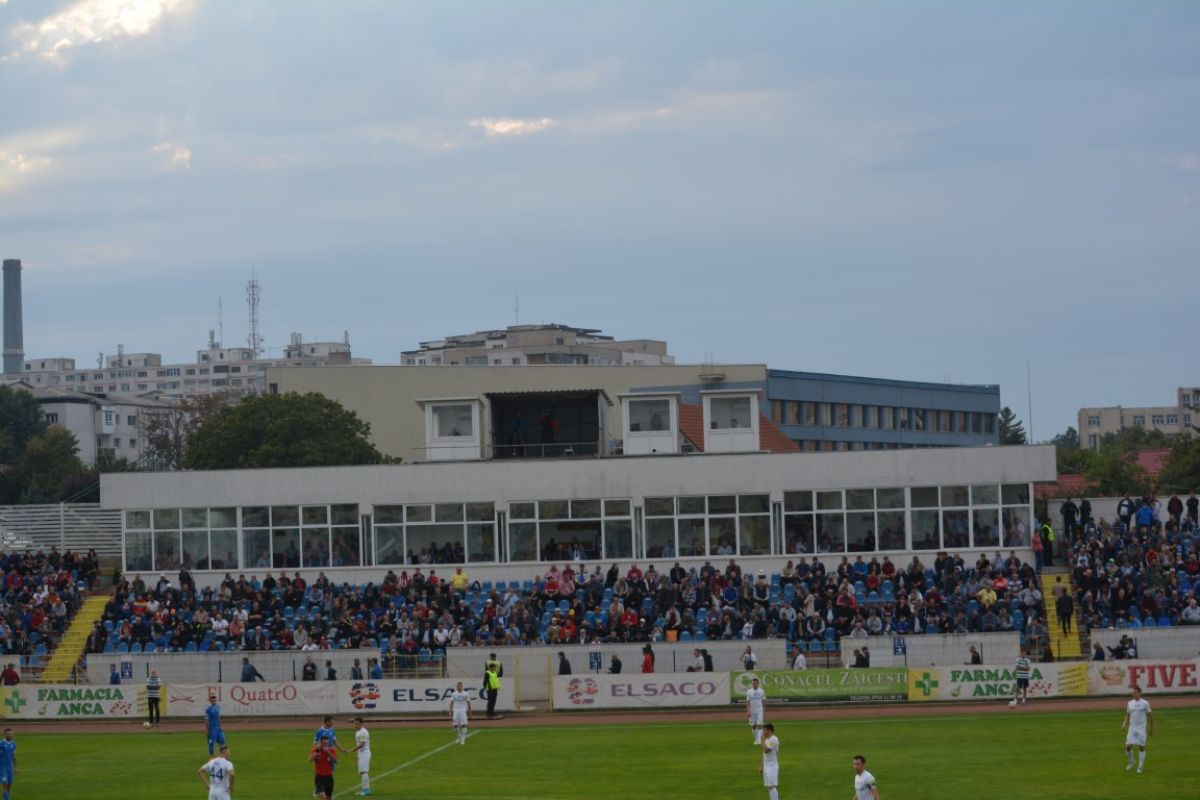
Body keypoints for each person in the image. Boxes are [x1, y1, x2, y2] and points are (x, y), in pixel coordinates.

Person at [1123, 686, 1153, 773]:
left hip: (1141, 728)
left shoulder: (1145, 703)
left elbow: (1150, 716)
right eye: (1132, 693)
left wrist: (1151, 728)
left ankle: (1140, 767)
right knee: (1128, 747)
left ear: (1139, 693)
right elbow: (1128, 714)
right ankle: (1132, 761)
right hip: (1132, 727)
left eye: (1135, 692)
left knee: (1141, 747)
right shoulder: (1129, 703)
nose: (1133, 694)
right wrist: (1124, 723)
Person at [759, 722, 780, 800]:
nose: (763, 733)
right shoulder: (767, 740)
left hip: (772, 765)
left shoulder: (774, 739)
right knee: (769, 787)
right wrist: (761, 766)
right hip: (767, 765)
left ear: (769, 730)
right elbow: (764, 754)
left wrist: (761, 741)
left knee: (771, 786)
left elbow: (766, 750)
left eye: (764, 731)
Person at [352, 716, 371, 796]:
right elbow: (359, 744)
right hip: (361, 754)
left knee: (364, 772)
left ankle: (366, 791)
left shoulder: (363, 732)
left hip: (365, 753)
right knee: (362, 772)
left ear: (361, 723)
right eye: (355, 724)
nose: (355, 725)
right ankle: (364, 789)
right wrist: (357, 755)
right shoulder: (358, 732)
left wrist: (352, 750)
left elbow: (362, 744)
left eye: (357, 724)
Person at [449, 680, 472, 745]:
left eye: (459, 686)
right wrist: (450, 710)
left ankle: (462, 739)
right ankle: (459, 736)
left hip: (462, 711)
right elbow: (451, 702)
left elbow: (469, 703)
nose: (458, 687)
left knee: (463, 725)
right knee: (455, 726)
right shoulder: (454, 694)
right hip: (456, 710)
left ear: (462, 686)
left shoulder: (465, 694)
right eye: (457, 686)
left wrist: (470, 713)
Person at [746, 677, 766, 745]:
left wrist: (764, 710)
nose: (754, 684)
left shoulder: (761, 691)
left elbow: (763, 701)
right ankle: (756, 739)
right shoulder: (749, 691)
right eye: (753, 683)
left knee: (759, 725)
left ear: (758, 684)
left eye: (755, 683)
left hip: (759, 710)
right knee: (753, 726)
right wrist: (748, 711)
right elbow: (748, 701)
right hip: (752, 710)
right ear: (752, 684)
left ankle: (759, 740)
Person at [0, 728, 14, 800]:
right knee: (5, 786)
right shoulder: (1, 743)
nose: (10, 735)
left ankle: (6, 798)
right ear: (5, 734)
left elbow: (13, 756)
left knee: (9, 787)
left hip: (9, 768)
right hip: (2, 768)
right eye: (9, 734)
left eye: (11, 734)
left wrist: (15, 767)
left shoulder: (13, 744)